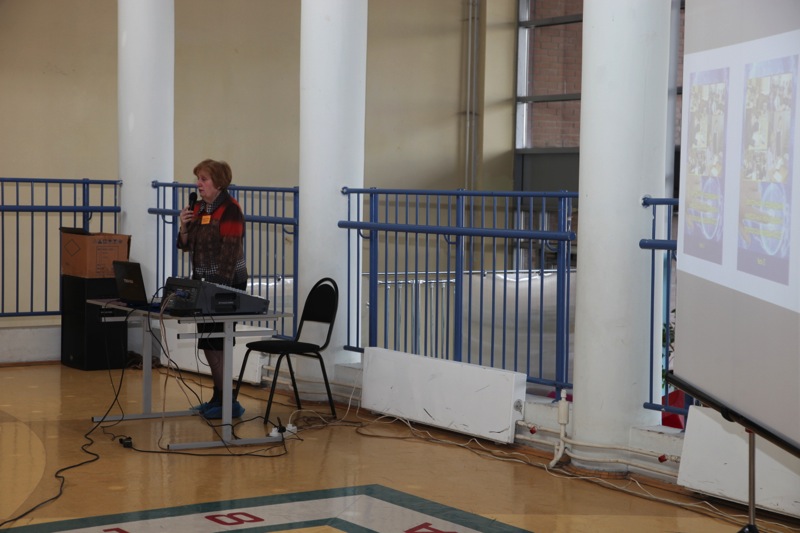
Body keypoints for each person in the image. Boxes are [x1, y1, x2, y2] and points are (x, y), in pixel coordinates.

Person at [177, 159, 248, 419]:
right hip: (204, 282)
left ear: (218, 182)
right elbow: (185, 245)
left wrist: (216, 289)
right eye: (198, 178)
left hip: (226, 284)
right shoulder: (199, 208)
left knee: (218, 341)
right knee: (208, 341)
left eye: (204, 179)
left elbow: (230, 254)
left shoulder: (230, 209)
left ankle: (229, 402)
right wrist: (184, 225)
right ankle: (219, 397)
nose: (199, 183)